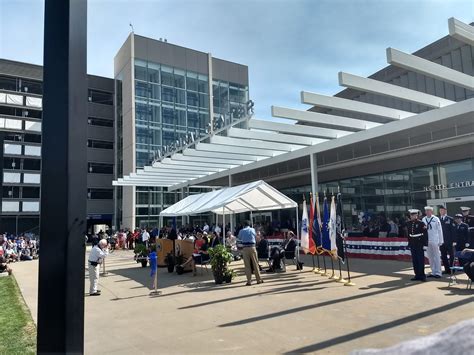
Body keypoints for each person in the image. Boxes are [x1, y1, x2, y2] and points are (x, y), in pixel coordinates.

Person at [238, 220, 263, 286]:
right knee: (255, 263)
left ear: (244, 225)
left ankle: (249, 281)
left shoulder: (241, 230)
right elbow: (256, 236)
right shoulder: (252, 229)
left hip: (245, 248)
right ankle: (258, 279)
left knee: (247, 265)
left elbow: (239, 238)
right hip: (252, 247)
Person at [406, 209, 428, 282]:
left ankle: (422, 275)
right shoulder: (408, 223)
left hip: (419, 242)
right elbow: (408, 234)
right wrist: (409, 243)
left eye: (413, 215)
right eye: (411, 215)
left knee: (420, 259)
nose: (412, 216)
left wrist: (425, 244)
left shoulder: (421, 223)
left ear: (416, 215)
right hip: (412, 243)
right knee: (414, 260)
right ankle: (417, 275)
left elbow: (425, 234)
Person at [422, 206, 444, 278]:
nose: (427, 212)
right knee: (430, 257)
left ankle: (438, 272)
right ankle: (433, 271)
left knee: (437, 256)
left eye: (429, 210)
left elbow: (439, 230)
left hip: (435, 240)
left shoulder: (436, 219)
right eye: (426, 211)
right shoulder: (423, 219)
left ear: (432, 211)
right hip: (427, 240)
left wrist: (441, 240)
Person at [438, 205, 455, 274]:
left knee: (451, 255)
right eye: (440, 210)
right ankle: (447, 269)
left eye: (442, 210)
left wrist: (454, 240)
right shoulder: (438, 219)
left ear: (445, 211)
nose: (441, 211)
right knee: (443, 256)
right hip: (442, 241)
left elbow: (453, 231)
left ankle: (452, 269)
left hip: (449, 241)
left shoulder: (450, 219)